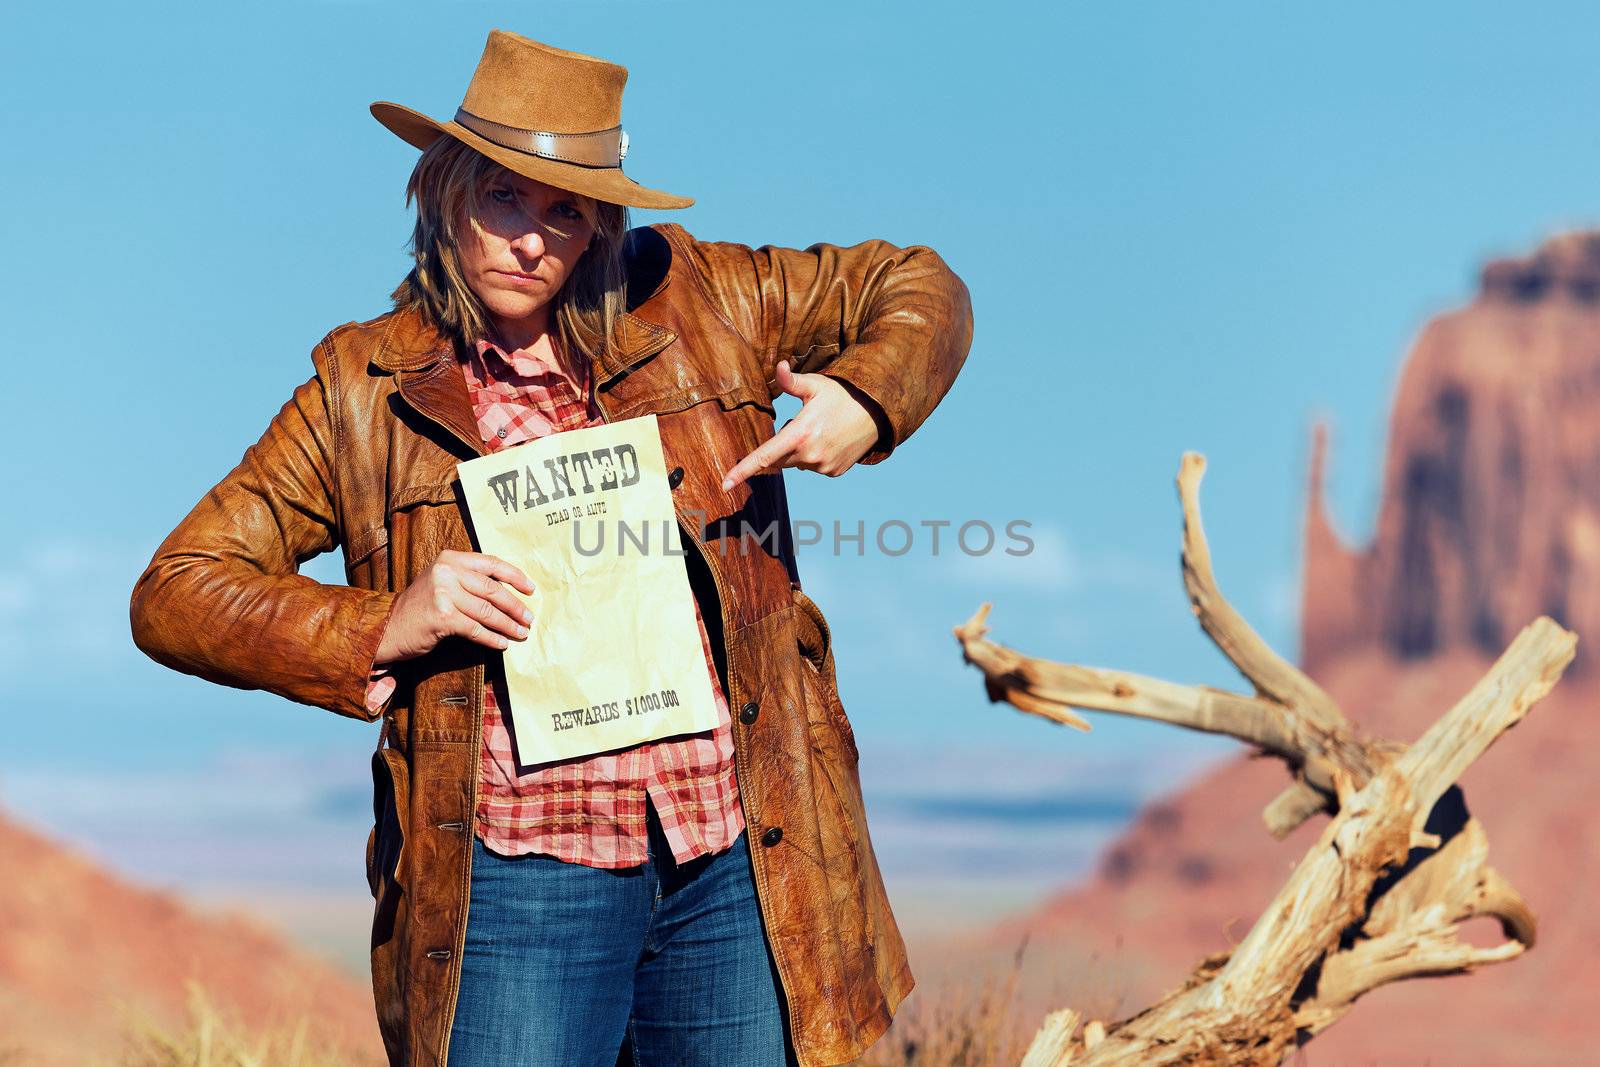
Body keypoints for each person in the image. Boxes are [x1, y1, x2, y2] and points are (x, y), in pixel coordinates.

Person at [129, 28, 973, 1067]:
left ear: (600, 226)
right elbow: (175, 589)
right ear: (444, 196)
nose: (530, 238)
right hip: (521, 875)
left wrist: (867, 399)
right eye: (503, 198)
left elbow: (916, 283)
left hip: (734, 846)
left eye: (564, 210)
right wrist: (390, 618)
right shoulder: (364, 392)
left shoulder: (705, 298)